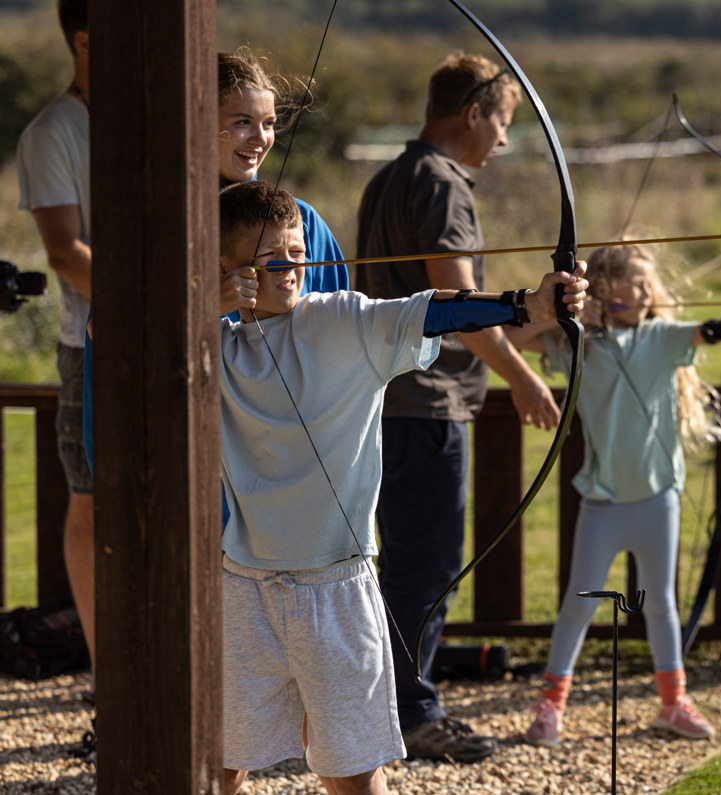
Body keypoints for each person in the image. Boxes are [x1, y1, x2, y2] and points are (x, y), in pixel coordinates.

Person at [216, 180, 587, 794]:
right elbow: (113, 333)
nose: (291, 270)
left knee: (353, 773)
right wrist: (206, 300)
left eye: (297, 253)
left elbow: (432, 308)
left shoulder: (340, 320)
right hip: (244, 585)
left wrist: (528, 304)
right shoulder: (214, 343)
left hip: (334, 585)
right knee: (219, 762)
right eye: (270, 259)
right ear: (230, 272)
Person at [505, 242, 721, 747]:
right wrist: (569, 315)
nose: (647, 292)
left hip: (656, 500)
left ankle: (673, 703)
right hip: (602, 504)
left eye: (649, 283)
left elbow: (718, 331)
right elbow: (510, 341)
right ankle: (549, 708)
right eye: (636, 282)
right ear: (604, 289)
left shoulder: (661, 338)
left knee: (661, 605)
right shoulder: (574, 342)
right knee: (579, 604)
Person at [354, 52, 562, 762]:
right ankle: (410, 713)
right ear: (472, 112)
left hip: (388, 397)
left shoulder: (390, 178)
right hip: (427, 403)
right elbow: (455, 311)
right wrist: (524, 381)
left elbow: (436, 310)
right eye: (502, 120)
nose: (504, 139)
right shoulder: (442, 183)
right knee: (427, 564)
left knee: (407, 561)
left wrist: (542, 321)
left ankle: (383, 705)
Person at [16, 0, 94, 676]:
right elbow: (66, 254)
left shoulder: (155, 115)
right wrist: (167, 303)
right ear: (86, 41)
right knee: (93, 505)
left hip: (189, 338)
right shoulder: (54, 132)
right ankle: (110, 671)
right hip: (92, 343)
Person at [216, 49, 348, 318]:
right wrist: (207, 306)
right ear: (197, 122)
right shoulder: (166, 221)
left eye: (268, 124)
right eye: (243, 122)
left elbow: (337, 323)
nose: (261, 138)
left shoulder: (302, 219)